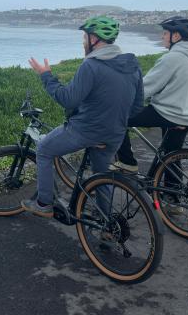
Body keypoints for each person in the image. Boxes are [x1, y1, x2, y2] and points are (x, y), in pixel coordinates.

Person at [22, 16, 144, 217]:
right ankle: (107, 223)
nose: (83, 42)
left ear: (94, 38)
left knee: (43, 149)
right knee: (101, 176)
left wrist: (46, 75)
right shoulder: (132, 65)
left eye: (85, 37)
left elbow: (68, 99)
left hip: (86, 131)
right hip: (115, 134)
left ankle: (43, 204)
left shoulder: (91, 66)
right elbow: (137, 105)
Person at [110, 16, 188, 174]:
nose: (162, 36)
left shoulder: (172, 58)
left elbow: (145, 88)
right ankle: (172, 193)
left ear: (176, 36)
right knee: (170, 158)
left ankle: (127, 162)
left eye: (165, 33)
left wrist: (121, 96)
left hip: (167, 114)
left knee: (117, 118)